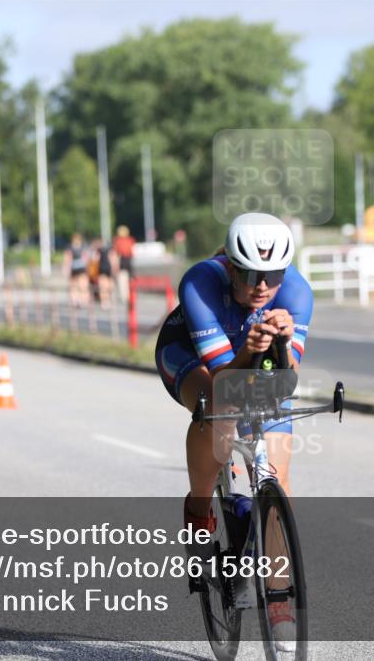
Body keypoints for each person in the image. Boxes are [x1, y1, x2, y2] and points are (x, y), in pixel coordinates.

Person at [153, 212, 312, 647]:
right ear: (230, 266)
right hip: (189, 353)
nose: (262, 285)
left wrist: (281, 343)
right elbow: (226, 379)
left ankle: (279, 597)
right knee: (217, 409)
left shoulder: (297, 292)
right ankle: (200, 509)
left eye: (272, 275)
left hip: (250, 354)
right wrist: (248, 348)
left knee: (279, 473)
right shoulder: (201, 282)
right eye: (250, 274)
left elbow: (287, 375)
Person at [113, 224, 136, 302]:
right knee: (130, 279)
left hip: (122, 260)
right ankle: (131, 294)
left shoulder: (117, 240)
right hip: (129, 260)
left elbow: (117, 253)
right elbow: (132, 252)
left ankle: (124, 296)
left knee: (122, 279)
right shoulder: (130, 240)